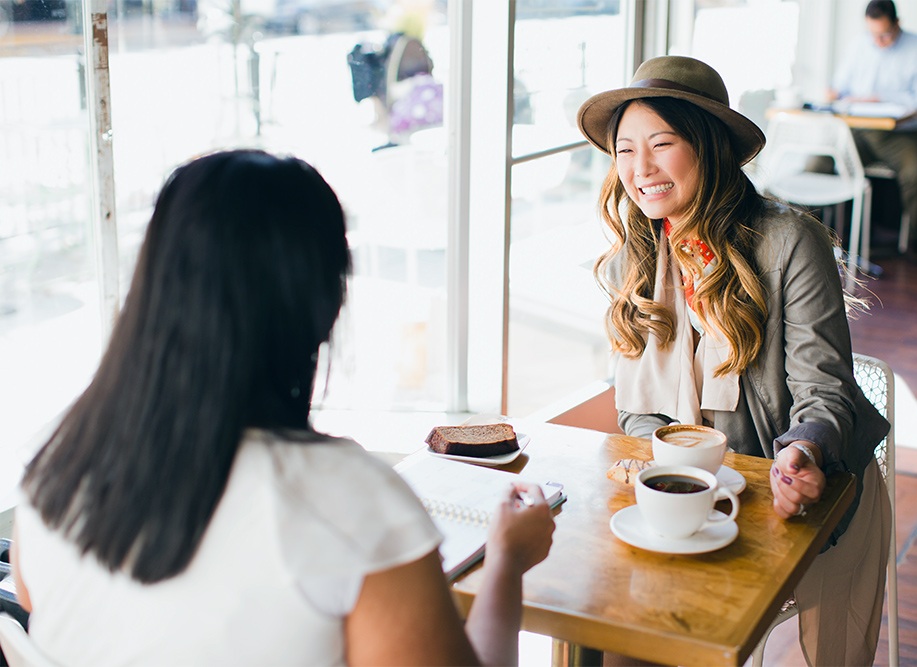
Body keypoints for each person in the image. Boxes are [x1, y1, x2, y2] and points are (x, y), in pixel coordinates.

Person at [8, 150, 555, 666]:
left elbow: (41, 603)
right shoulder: (347, 498)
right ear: (325, 308)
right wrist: (506, 562)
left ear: (152, 287)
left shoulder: (56, 457)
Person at [577, 56, 892, 666]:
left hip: (798, 496)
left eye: (662, 144)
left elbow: (823, 391)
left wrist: (803, 451)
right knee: (609, 628)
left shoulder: (789, 242)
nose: (640, 169)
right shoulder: (632, 263)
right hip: (694, 496)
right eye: (624, 151)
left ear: (710, 148)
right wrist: (678, 471)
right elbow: (637, 416)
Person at [827, 0, 917, 262]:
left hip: (903, 134)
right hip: (859, 130)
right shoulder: (858, 46)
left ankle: (913, 242)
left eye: (885, 34)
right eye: (873, 34)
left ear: (897, 24)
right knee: (821, 162)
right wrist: (835, 94)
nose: (878, 41)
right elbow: (839, 87)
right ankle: (831, 239)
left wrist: (880, 99)